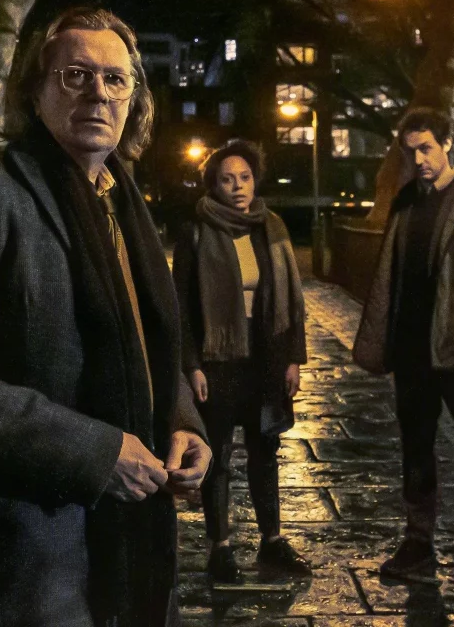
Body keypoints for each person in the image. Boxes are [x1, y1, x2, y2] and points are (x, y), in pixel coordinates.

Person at [0, 7, 211, 627]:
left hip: (133, 556)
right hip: (22, 570)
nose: (99, 93)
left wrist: (182, 423)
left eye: (115, 79)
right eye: (75, 75)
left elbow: (143, 346)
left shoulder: (126, 210)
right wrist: (96, 454)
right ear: (34, 91)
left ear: (134, 100)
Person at [353, 107, 454, 597]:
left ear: (448, 144)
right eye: (411, 152)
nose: (419, 159)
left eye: (426, 148)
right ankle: (418, 543)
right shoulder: (407, 199)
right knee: (416, 449)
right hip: (412, 353)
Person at [172, 139, 310, 584]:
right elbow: (181, 307)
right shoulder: (197, 231)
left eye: (245, 178)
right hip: (218, 360)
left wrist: (293, 359)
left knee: (265, 450)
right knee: (217, 455)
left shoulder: (272, 227)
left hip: (266, 357)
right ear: (213, 184)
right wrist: (191, 365)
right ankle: (221, 547)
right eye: (227, 179)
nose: (238, 187)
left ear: (255, 180)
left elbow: (291, 301)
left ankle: (272, 540)